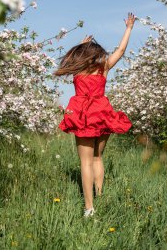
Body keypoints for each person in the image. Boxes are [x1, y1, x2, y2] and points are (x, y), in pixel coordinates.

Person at [53, 12, 136, 218]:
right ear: (96, 54)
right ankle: (100, 197)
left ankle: (89, 208)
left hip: (83, 114)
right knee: (98, 158)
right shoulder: (104, 68)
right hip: (102, 112)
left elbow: (68, 62)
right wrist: (128, 28)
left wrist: (81, 46)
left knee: (85, 162)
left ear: (82, 54)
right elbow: (122, 50)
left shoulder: (77, 69)